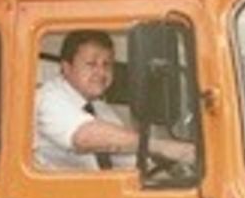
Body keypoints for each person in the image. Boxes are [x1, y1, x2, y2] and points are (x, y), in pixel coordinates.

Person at [33, 28, 193, 171]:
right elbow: (84, 137)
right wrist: (162, 147)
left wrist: (172, 169)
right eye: (91, 64)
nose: (101, 72)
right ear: (66, 68)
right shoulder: (48, 98)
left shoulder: (100, 109)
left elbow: (129, 157)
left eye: (107, 64)